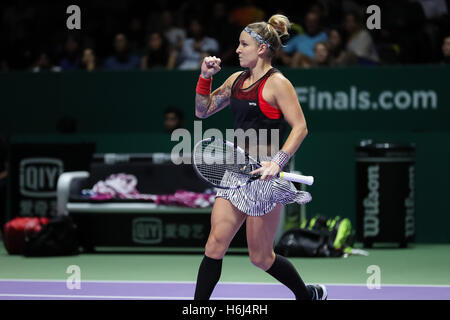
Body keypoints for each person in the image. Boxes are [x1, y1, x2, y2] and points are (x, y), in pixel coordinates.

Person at [193, 14, 327, 300]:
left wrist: (277, 162)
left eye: (243, 45)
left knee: (261, 257)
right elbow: (202, 111)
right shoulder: (235, 80)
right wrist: (205, 77)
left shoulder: (278, 83)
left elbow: (300, 127)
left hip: (266, 176)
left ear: (262, 48)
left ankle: (306, 296)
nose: (237, 50)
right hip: (235, 172)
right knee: (215, 244)